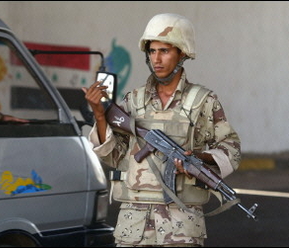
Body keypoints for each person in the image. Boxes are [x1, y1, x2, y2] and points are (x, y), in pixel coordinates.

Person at [82, 13, 241, 247]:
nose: (156, 59)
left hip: (181, 223)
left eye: (164, 51)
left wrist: (199, 158)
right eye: (152, 51)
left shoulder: (203, 101)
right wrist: (99, 114)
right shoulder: (133, 100)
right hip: (133, 222)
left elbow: (231, 147)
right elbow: (115, 157)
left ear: (182, 53)